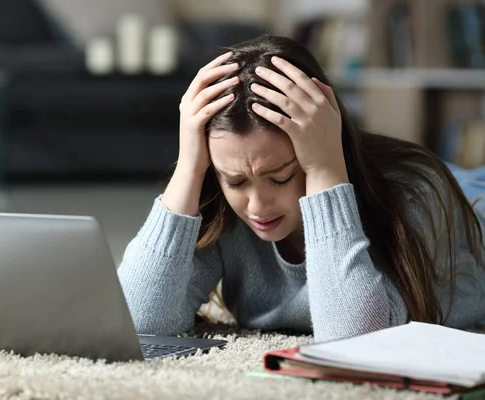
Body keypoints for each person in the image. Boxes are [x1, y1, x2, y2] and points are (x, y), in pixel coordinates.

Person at [117, 35, 485, 343]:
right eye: (236, 181)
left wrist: (325, 167)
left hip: (471, 199)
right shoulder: (221, 206)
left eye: (279, 177)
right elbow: (137, 320)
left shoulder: (412, 193)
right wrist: (189, 167)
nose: (257, 206)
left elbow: (354, 340)